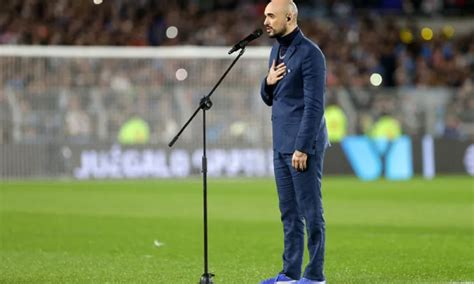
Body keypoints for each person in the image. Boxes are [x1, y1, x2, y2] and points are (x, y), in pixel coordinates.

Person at [259, 0, 329, 283]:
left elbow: (314, 106)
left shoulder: (311, 54)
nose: (265, 21)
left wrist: (302, 147)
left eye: (271, 16)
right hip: (280, 144)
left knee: (311, 212)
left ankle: (315, 275)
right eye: (265, 15)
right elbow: (269, 99)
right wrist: (267, 82)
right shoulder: (276, 50)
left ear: (289, 17)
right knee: (288, 213)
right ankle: (290, 274)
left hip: (302, 146)